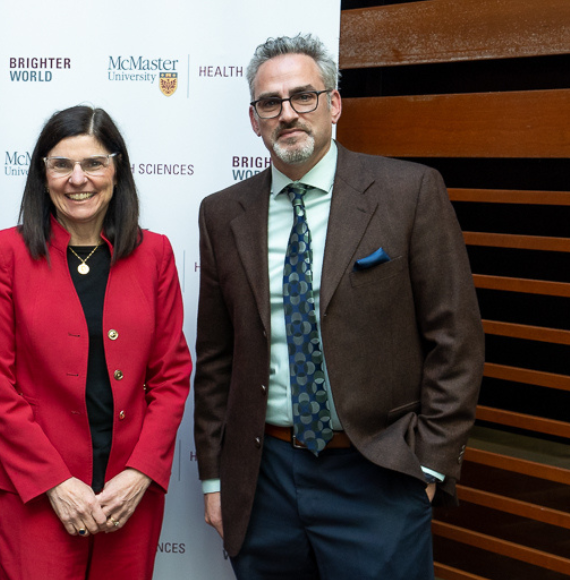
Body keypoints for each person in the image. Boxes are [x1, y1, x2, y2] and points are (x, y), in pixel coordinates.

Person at [193, 34, 484, 580]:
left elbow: (457, 340)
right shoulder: (222, 213)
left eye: (304, 96)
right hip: (264, 476)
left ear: (335, 104)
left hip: (377, 472)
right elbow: (216, 357)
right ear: (254, 120)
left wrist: (427, 463)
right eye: (270, 103)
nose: (288, 114)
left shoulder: (410, 192)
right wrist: (215, 480)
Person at [0, 105, 192, 579]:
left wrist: (140, 473)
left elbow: (171, 376)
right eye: (62, 164)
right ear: (42, 174)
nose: (78, 179)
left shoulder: (155, 254)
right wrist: (54, 483)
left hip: (127, 493)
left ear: (117, 170)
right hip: (36, 489)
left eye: (93, 163)